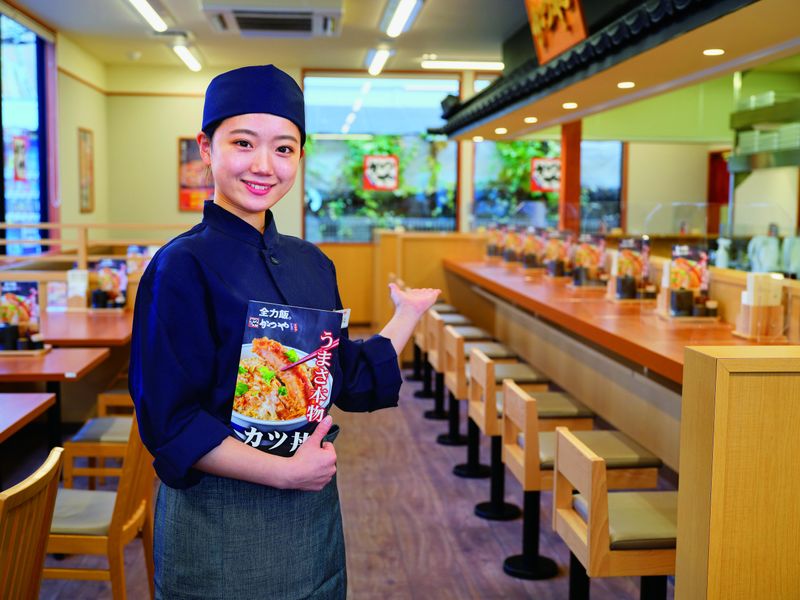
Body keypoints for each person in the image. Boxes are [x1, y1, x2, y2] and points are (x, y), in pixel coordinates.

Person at [129, 64, 440, 599]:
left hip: (312, 515)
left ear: (299, 156)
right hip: (219, 517)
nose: (263, 165)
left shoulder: (311, 264)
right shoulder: (181, 265)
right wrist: (283, 473)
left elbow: (345, 378)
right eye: (243, 142)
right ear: (206, 147)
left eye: (284, 148)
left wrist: (407, 314)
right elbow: (170, 422)